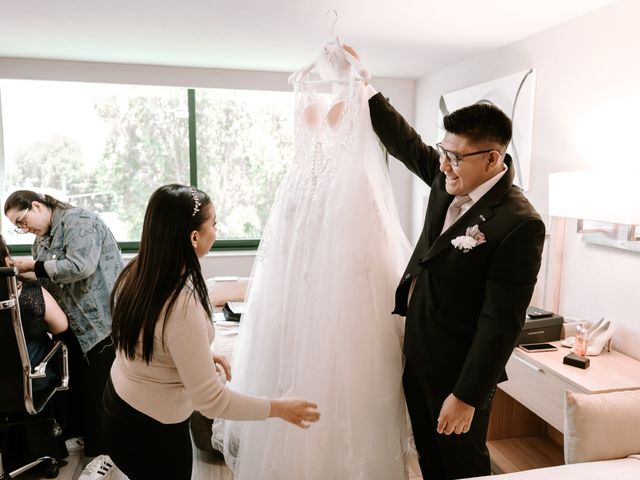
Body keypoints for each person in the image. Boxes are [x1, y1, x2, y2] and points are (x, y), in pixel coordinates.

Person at [344, 45, 546, 479]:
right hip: (417, 348)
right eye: (444, 150)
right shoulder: (448, 176)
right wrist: (365, 88)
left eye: (455, 156)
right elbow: (408, 145)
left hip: (458, 371)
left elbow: (500, 322)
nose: (444, 164)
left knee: (461, 464)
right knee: (427, 457)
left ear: (493, 158)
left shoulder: (519, 223)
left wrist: (467, 396)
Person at [215, 42, 412, 479]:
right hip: (303, 215)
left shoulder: (358, 94)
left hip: (342, 219)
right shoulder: (304, 88)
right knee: (292, 342)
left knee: (345, 354)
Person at [104, 184, 320, 480]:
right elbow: (212, 401)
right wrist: (279, 408)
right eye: (214, 223)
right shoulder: (181, 305)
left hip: (117, 405)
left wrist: (202, 354)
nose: (216, 230)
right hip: (151, 432)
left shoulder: (139, 271)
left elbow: (152, 339)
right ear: (194, 237)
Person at [4, 190, 123, 480]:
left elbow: (81, 266)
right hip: (72, 323)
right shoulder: (39, 243)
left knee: (101, 391)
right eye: (16, 226)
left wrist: (32, 267)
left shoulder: (78, 221)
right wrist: (15, 273)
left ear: (36, 205)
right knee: (81, 387)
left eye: (22, 220)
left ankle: (105, 454)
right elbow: (46, 276)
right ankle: (86, 437)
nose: (23, 228)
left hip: (100, 322)